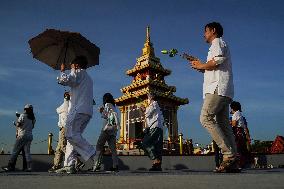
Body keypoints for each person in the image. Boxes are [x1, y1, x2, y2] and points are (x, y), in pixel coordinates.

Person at [189, 22, 238, 173]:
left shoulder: (217, 42)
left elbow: (215, 62)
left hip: (217, 88)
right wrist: (201, 66)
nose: (204, 34)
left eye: (205, 31)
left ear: (213, 31)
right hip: (224, 90)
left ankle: (228, 154)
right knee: (224, 125)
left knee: (205, 118)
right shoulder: (220, 44)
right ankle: (234, 160)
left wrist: (201, 66)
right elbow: (213, 66)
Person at [55, 56, 96, 174]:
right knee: (71, 139)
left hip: (78, 110)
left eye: (71, 65)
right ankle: (69, 164)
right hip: (87, 111)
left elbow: (65, 80)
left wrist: (62, 71)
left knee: (70, 134)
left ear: (76, 65)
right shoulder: (88, 78)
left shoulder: (78, 72)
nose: (70, 67)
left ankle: (93, 154)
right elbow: (76, 85)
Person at [2, 104, 36, 172]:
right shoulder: (33, 118)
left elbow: (19, 125)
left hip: (22, 135)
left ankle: (10, 166)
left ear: (26, 109)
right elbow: (32, 127)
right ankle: (29, 168)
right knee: (27, 152)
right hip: (30, 136)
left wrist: (16, 121)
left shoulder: (22, 115)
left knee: (15, 151)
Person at [92, 93, 119, 172]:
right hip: (113, 130)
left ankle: (96, 165)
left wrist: (101, 111)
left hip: (106, 129)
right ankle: (115, 165)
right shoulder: (114, 107)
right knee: (113, 149)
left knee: (98, 146)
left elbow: (106, 115)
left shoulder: (107, 105)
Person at [140, 93, 164, 171]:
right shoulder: (155, 106)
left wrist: (144, 110)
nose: (147, 99)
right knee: (157, 146)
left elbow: (147, 113)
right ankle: (157, 165)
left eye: (148, 97)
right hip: (158, 127)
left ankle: (155, 160)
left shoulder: (154, 104)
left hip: (155, 127)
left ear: (151, 97)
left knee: (145, 143)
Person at [230, 101, 250, 168]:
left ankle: (238, 164)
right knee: (241, 149)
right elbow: (245, 127)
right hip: (241, 133)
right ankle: (242, 164)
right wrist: (247, 136)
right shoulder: (240, 114)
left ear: (233, 107)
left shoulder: (235, 114)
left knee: (237, 149)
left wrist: (229, 123)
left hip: (237, 132)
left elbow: (234, 124)